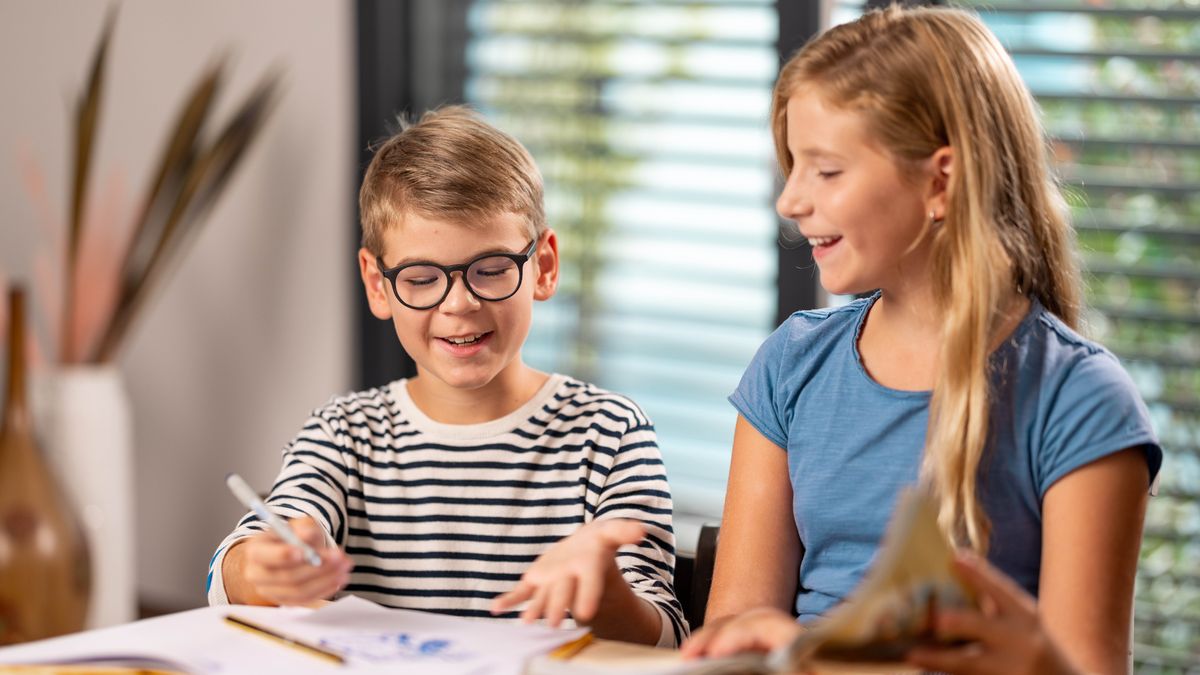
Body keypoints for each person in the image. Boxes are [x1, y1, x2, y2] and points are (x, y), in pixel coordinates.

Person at [679, 5, 1162, 674]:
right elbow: (732, 631)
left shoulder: (1079, 399)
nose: (789, 201)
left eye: (825, 170)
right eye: (792, 167)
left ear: (940, 180)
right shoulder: (790, 365)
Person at [206, 105, 686, 647]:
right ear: (378, 284)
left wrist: (607, 596)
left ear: (544, 267)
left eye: (491, 269)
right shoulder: (343, 435)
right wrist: (263, 567)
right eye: (421, 277)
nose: (459, 304)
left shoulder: (609, 432)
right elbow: (234, 572)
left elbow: (665, 639)